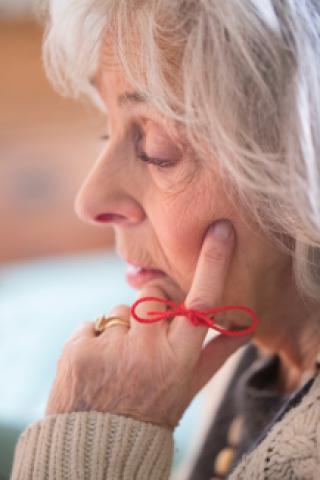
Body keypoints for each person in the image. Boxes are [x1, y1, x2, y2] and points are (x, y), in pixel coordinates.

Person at [11, 1, 320, 478]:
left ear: (304, 164)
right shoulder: (246, 350)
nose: (89, 200)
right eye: (104, 132)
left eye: (157, 150)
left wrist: (93, 435)